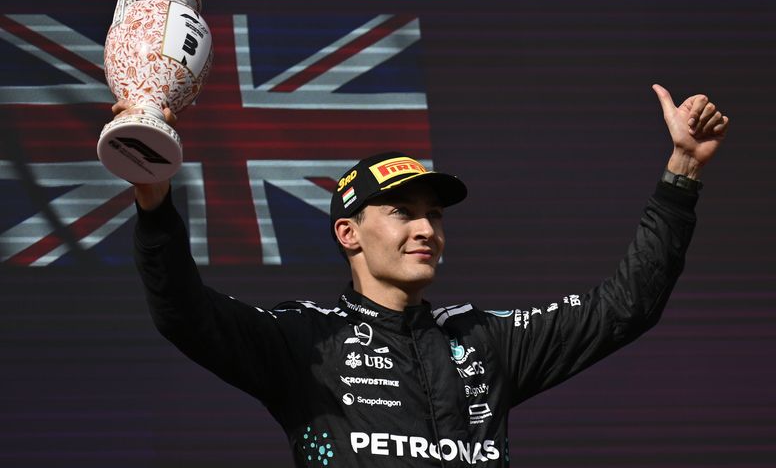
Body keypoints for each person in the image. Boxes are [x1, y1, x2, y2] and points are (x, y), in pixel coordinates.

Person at [114, 83, 729, 467]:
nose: (426, 229)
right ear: (347, 233)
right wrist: (153, 200)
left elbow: (627, 306)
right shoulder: (304, 341)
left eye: (434, 215)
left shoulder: (486, 339)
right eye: (401, 213)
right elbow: (183, 313)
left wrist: (681, 172)